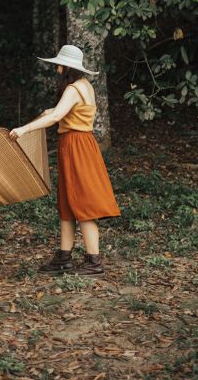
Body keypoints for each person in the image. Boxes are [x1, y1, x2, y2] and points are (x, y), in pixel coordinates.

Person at [10, 44, 120, 275]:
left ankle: (93, 262)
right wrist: (46, 113)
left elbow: (59, 115)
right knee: (68, 201)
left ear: (67, 67)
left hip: (76, 146)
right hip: (78, 145)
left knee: (83, 202)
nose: (57, 68)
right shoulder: (84, 86)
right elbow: (64, 111)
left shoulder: (72, 89)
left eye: (59, 65)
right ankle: (64, 257)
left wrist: (25, 128)